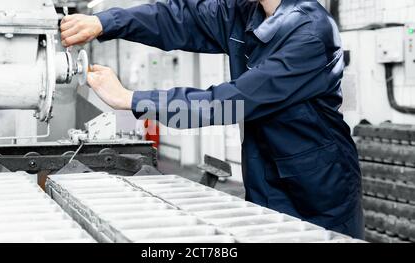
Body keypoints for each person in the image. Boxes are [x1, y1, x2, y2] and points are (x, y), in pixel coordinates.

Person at [60, 0, 364, 239]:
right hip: (264, 170)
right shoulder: (243, 11)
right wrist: (104, 22)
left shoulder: (309, 32)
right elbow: (177, 18)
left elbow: (228, 104)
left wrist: (131, 100)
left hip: (317, 187)